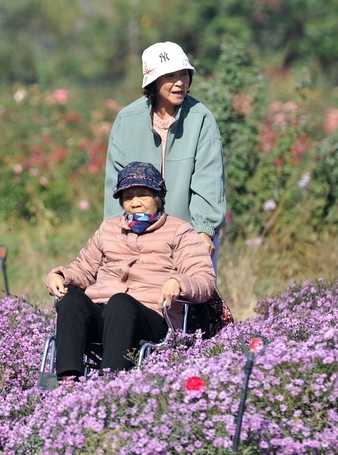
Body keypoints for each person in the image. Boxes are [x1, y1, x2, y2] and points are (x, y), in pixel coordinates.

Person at [46, 161, 215, 377]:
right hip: (105, 313)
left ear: (158, 198)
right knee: (72, 300)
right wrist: (59, 276)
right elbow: (82, 270)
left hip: (151, 317)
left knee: (120, 303)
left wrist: (179, 282)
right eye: (128, 197)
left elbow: (204, 279)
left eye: (142, 195)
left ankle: (111, 382)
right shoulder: (108, 229)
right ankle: (67, 380)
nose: (135, 203)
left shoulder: (180, 231)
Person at [104, 41, 226, 264]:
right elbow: (116, 185)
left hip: (190, 237)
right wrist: (114, 236)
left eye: (184, 74)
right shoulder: (127, 120)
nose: (180, 82)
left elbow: (209, 181)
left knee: (190, 296)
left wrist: (204, 231)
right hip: (136, 237)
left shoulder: (201, 119)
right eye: (170, 76)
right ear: (153, 81)